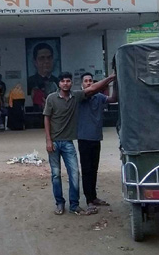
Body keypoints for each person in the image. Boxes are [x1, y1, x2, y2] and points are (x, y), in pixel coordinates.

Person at [44, 71, 115, 216]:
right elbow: (46, 118)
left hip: (70, 142)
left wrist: (115, 80)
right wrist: (48, 140)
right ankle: (60, 203)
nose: (65, 83)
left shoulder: (75, 96)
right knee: (56, 174)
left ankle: (75, 205)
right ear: (59, 83)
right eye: (63, 81)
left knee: (76, 173)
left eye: (68, 81)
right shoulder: (55, 98)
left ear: (71, 83)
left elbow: (101, 93)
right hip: (58, 142)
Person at [77, 72, 118, 214]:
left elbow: (113, 98)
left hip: (96, 138)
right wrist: (110, 77)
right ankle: (89, 200)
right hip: (84, 138)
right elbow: (92, 90)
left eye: (90, 80)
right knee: (86, 170)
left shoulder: (99, 97)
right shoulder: (80, 95)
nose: (88, 82)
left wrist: (116, 83)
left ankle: (93, 197)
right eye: (86, 81)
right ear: (82, 84)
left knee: (94, 169)